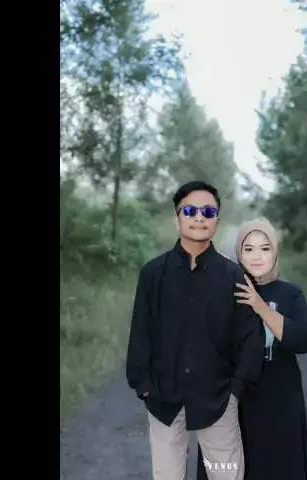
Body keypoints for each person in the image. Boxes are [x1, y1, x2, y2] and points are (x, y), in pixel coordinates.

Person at [125, 181, 265, 480]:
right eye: (190, 211)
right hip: (163, 397)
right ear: (177, 219)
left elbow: (249, 337)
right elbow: (141, 332)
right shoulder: (153, 273)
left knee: (226, 475)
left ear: (217, 221)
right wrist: (143, 384)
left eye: (208, 212)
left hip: (218, 399)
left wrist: (236, 389)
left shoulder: (234, 275)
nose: (199, 217)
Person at [196, 217, 307, 480]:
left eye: (265, 248)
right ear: (239, 253)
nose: (257, 256)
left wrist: (259, 306)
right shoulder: (227, 289)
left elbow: (304, 340)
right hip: (234, 402)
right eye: (249, 249)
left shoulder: (290, 294)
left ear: (275, 253)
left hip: (280, 404)